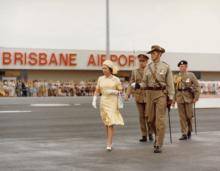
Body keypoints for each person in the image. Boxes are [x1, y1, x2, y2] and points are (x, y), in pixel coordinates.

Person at [134, 45, 174, 153]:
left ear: (160, 54)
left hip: (161, 94)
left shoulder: (165, 67)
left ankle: (158, 143)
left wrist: (170, 98)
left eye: (154, 53)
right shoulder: (148, 67)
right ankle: (157, 135)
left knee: (159, 120)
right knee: (150, 119)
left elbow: (170, 84)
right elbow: (144, 83)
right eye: (151, 53)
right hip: (150, 94)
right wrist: (138, 85)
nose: (152, 55)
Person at [92, 60, 124, 151]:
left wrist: (114, 91)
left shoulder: (116, 79)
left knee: (110, 122)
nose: (103, 70)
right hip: (103, 101)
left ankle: (109, 143)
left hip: (112, 101)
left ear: (110, 69)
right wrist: (94, 99)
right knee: (106, 122)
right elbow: (97, 90)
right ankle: (109, 140)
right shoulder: (100, 78)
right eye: (102, 68)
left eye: (105, 68)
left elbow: (121, 92)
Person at [125, 54, 153, 142]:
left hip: (148, 96)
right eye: (140, 61)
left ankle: (150, 133)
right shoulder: (135, 71)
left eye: (143, 61)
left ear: (147, 61)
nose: (141, 63)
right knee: (141, 117)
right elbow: (131, 83)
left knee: (148, 116)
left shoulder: (150, 70)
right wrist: (127, 94)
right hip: (139, 96)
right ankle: (144, 135)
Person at [172, 60, 200, 140]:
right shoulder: (176, 77)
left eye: (183, 66)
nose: (181, 68)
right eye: (180, 66)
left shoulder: (191, 75)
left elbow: (197, 86)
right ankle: (184, 133)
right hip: (179, 98)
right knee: (182, 117)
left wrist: (196, 97)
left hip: (188, 98)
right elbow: (174, 89)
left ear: (186, 67)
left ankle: (189, 130)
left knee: (189, 116)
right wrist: (173, 100)